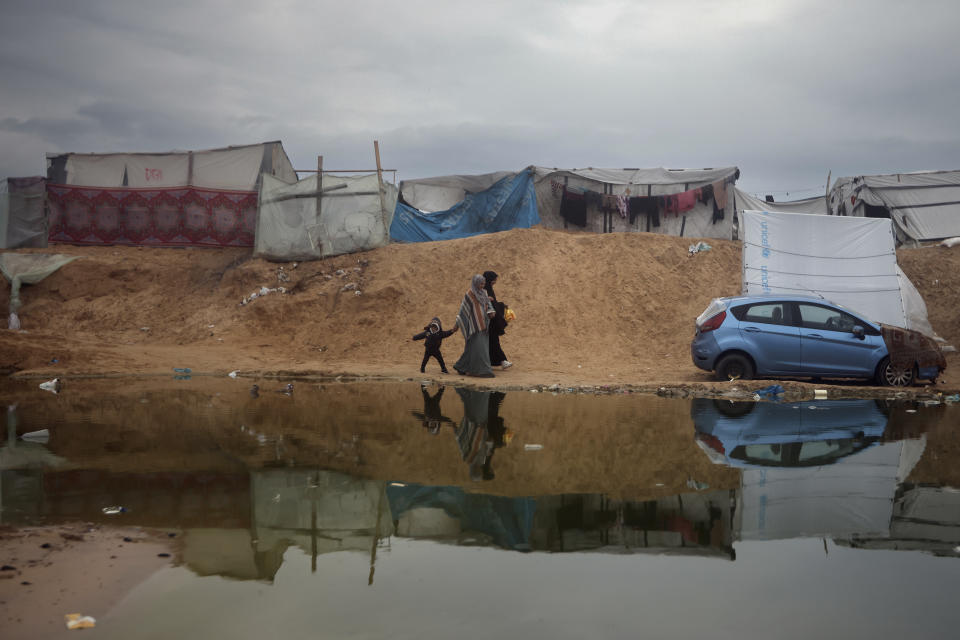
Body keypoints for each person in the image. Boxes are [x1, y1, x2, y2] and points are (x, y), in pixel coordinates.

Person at [453, 274, 496, 378]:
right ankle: (482, 371)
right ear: (475, 283)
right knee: (480, 349)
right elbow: (463, 310)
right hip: (473, 325)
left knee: (473, 348)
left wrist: (491, 312)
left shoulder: (484, 293)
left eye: (484, 283)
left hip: (484, 324)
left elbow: (488, 306)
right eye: (481, 283)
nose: (482, 286)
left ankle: (461, 366)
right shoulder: (469, 294)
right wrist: (457, 325)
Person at [482, 270, 512, 369]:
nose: (495, 281)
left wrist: (501, 305)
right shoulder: (484, 291)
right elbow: (486, 305)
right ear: (490, 280)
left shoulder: (489, 289)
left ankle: (496, 362)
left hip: (492, 321)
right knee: (493, 342)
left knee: (492, 342)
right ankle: (503, 361)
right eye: (494, 279)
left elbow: (493, 304)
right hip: (488, 322)